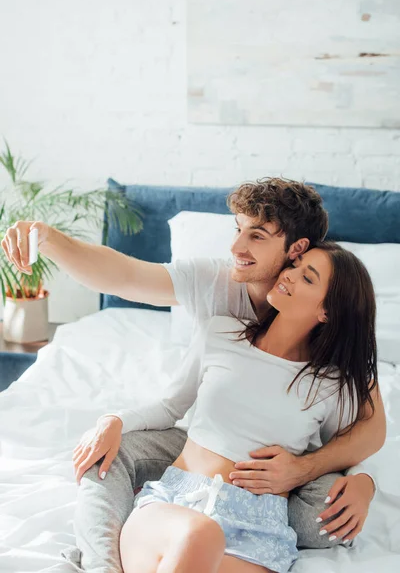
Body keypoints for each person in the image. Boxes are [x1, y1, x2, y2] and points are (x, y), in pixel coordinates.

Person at [1, 179, 385, 572]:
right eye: (238, 230)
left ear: (296, 249)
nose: (237, 248)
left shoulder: (331, 376)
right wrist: (48, 239)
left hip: (260, 526)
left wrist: (362, 480)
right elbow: (126, 278)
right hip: (184, 487)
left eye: (257, 235)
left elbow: (367, 431)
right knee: (161, 500)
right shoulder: (220, 314)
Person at [116, 242, 379, 572]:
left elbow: (349, 444)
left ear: (327, 311)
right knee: (200, 535)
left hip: (260, 530)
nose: (289, 275)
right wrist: (115, 421)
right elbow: (171, 406)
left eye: (307, 278)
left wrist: (364, 481)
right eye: (294, 265)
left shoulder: (330, 384)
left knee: (201, 543)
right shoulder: (221, 333)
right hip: (177, 504)